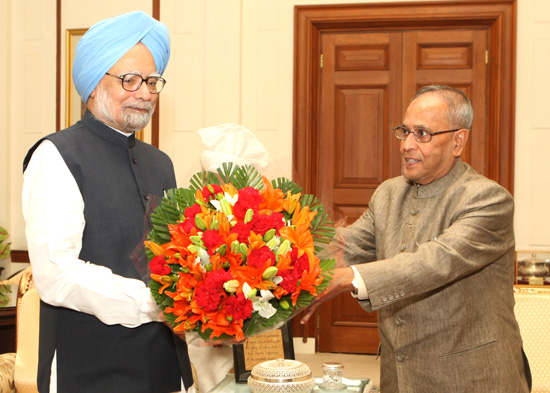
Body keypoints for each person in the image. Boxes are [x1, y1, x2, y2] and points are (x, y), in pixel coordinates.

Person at [302, 85, 531, 392]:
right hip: (401, 378)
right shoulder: (389, 194)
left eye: (422, 133)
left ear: (458, 141)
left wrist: (346, 278)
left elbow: (433, 263)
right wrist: (271, 251)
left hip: (472, 378)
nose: (407, 144)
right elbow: (346, 246)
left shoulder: (487, 199)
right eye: (405, 131)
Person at [22, 11, 194, 393]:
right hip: (87, 368)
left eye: (151, 80)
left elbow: (174, 257)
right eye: (129, 79)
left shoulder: (160, 163)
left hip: (164, 365)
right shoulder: (57, 155)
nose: (145, 92)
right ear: (93, 85)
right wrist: (155, 305)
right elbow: (58, 277)